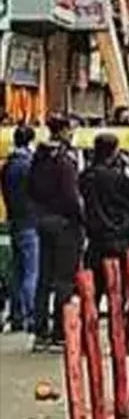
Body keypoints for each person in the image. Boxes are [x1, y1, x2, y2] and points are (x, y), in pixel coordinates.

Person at [27, 115, 83, 351]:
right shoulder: (64, 160)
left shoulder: (38, 158)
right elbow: (72, 196)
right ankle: (60, 332)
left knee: (44, 278)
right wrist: (80, 218)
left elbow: (30, 188)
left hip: (43, 221)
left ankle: (40, 332)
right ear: (63, 131)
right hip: (65, 224)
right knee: (63, 281)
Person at [80, 133, 129, 313]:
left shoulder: (86, 177)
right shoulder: (118, 178)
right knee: (119, 288)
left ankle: (91, 321)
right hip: (118, 237)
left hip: (95, 238)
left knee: (95, 288)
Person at [2, 125, 39, 334]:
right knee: (30, 272)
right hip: (30, 221)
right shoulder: (29, 165)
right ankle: (31, 316)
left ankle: (16, 315)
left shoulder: (8, 165)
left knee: (17, 271)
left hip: (14, 219)